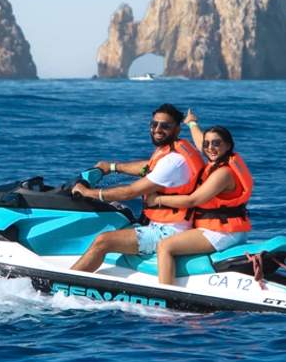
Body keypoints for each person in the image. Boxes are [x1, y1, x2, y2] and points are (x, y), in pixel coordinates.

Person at [70, 104, 204, 272]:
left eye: (165, 126)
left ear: (177, 129)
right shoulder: (175, 150)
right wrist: (111, 167)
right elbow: (147, 167)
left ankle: (59, 285)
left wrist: (87, 192)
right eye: (154, 124)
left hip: (169, 231)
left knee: (103, 241)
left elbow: (130, 192)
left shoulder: (174, 161)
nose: (157, 129)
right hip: (168, 224)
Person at [145, 123, 253, 286]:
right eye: (207, 144)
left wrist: (157, 200)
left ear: (228, 145)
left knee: (165, 246)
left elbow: (192, 200)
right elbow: (200, 142)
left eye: (216, 143)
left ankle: (166, 295)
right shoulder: (220, 160)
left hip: (222, 232)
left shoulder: (223, 174)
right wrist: (192, 123)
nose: (210, 148)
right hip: (227, 229)